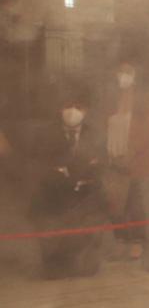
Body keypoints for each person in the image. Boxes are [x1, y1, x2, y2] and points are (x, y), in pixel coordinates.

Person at [29, 91, 106, 278]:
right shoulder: (46, 134)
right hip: (53, 194)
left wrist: (83, 178)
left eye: (78, 107)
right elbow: (41, 165)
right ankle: (54, 266)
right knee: (52, 234)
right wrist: (61, 176)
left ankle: (82, 263)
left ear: (85, 111)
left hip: (85, 196)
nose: (72, 112)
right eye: (67, 106)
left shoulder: (94, 134)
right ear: (60, 109)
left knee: (87, 239)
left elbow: (100, 165)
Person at [103, 61, 149, 260]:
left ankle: (138, 241)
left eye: (128, 72)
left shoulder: (143, 100)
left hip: (135, 160)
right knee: (115, 203)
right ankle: (120, 240)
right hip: (113, 158)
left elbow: (148, 131)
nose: (123, 76)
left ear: (135, 76)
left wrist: (131, 153)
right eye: (120, 72)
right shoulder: (111, 98)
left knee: (134, 201)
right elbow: (104, 127)